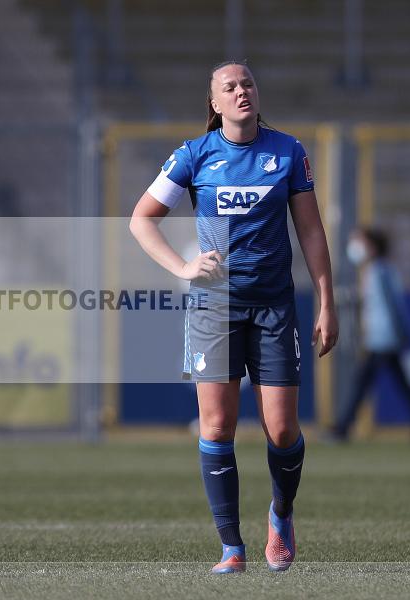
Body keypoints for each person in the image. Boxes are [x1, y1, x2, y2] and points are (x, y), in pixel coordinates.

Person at [129, 61, 338, 573]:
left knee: (282, 430)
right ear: (215, 103)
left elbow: (310, 230)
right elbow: (142, 219)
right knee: (218, 425)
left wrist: (327, 301)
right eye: (230, 87)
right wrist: (183, 267)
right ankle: (231, 547)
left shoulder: (287, 152)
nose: (242, 91)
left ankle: (281, 512)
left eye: (247, 83)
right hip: (213, 306)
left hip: (273, 306)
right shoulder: (194, 155)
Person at [332, 227, 410, 441]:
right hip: (382, 337)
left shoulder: (379, 271)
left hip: (382, 338)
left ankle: (342, 428)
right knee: (401, 383)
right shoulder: (377, 270)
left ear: (372, 247)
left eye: (360, 242)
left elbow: (393, 304)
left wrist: (400, 330)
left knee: (362, 382)